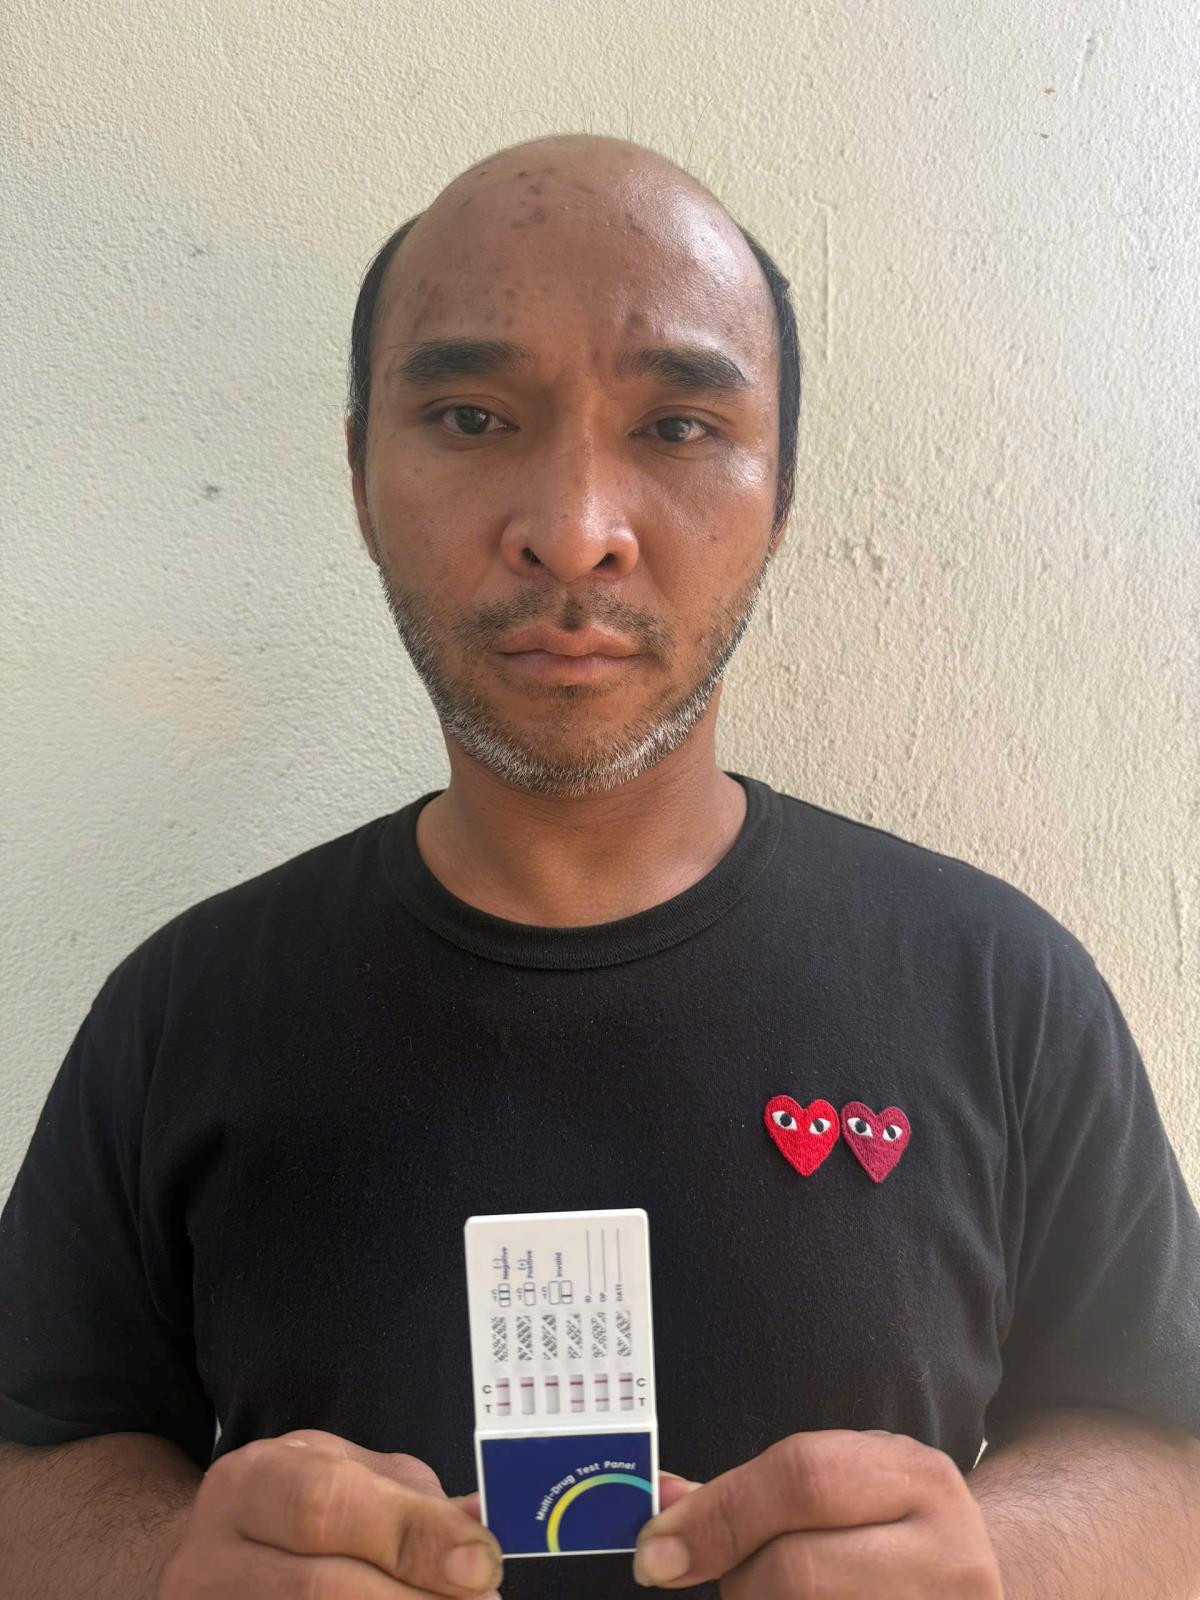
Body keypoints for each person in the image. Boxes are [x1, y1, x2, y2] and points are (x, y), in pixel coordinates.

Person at [1, 131, 1198, 1600]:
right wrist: (165, 1568)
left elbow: (1164, 1441)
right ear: (361, 474)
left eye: (679, 427)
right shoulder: (182, 1008)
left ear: (781, 488)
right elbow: (35, 1455)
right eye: (469, 416)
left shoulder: (1001, 987)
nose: (574, 534)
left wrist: (1000, 1563)